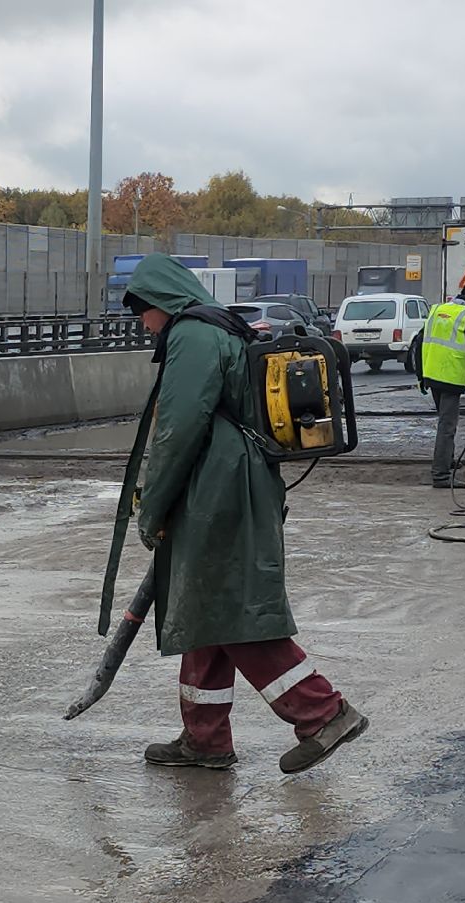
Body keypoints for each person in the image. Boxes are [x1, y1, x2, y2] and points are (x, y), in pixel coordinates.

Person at [99, 254, 368, 775]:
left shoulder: (192, 336)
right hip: (236, 479)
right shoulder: (223, 327)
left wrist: (151, 507)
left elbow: (178, 430)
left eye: (141, 311)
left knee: (232, 607)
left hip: (218, 488)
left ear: (162, 303)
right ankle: (205, 740)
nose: (140, 322)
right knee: (208, 609)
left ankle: (323, 713)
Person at [408, 281, 465, 489]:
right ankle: (441, 475)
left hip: (432, 375)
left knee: (444, 421)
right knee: (447, 426)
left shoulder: (437, 310)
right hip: (450, 378)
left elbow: (419, 343)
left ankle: (448, 460)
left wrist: (420, 375)